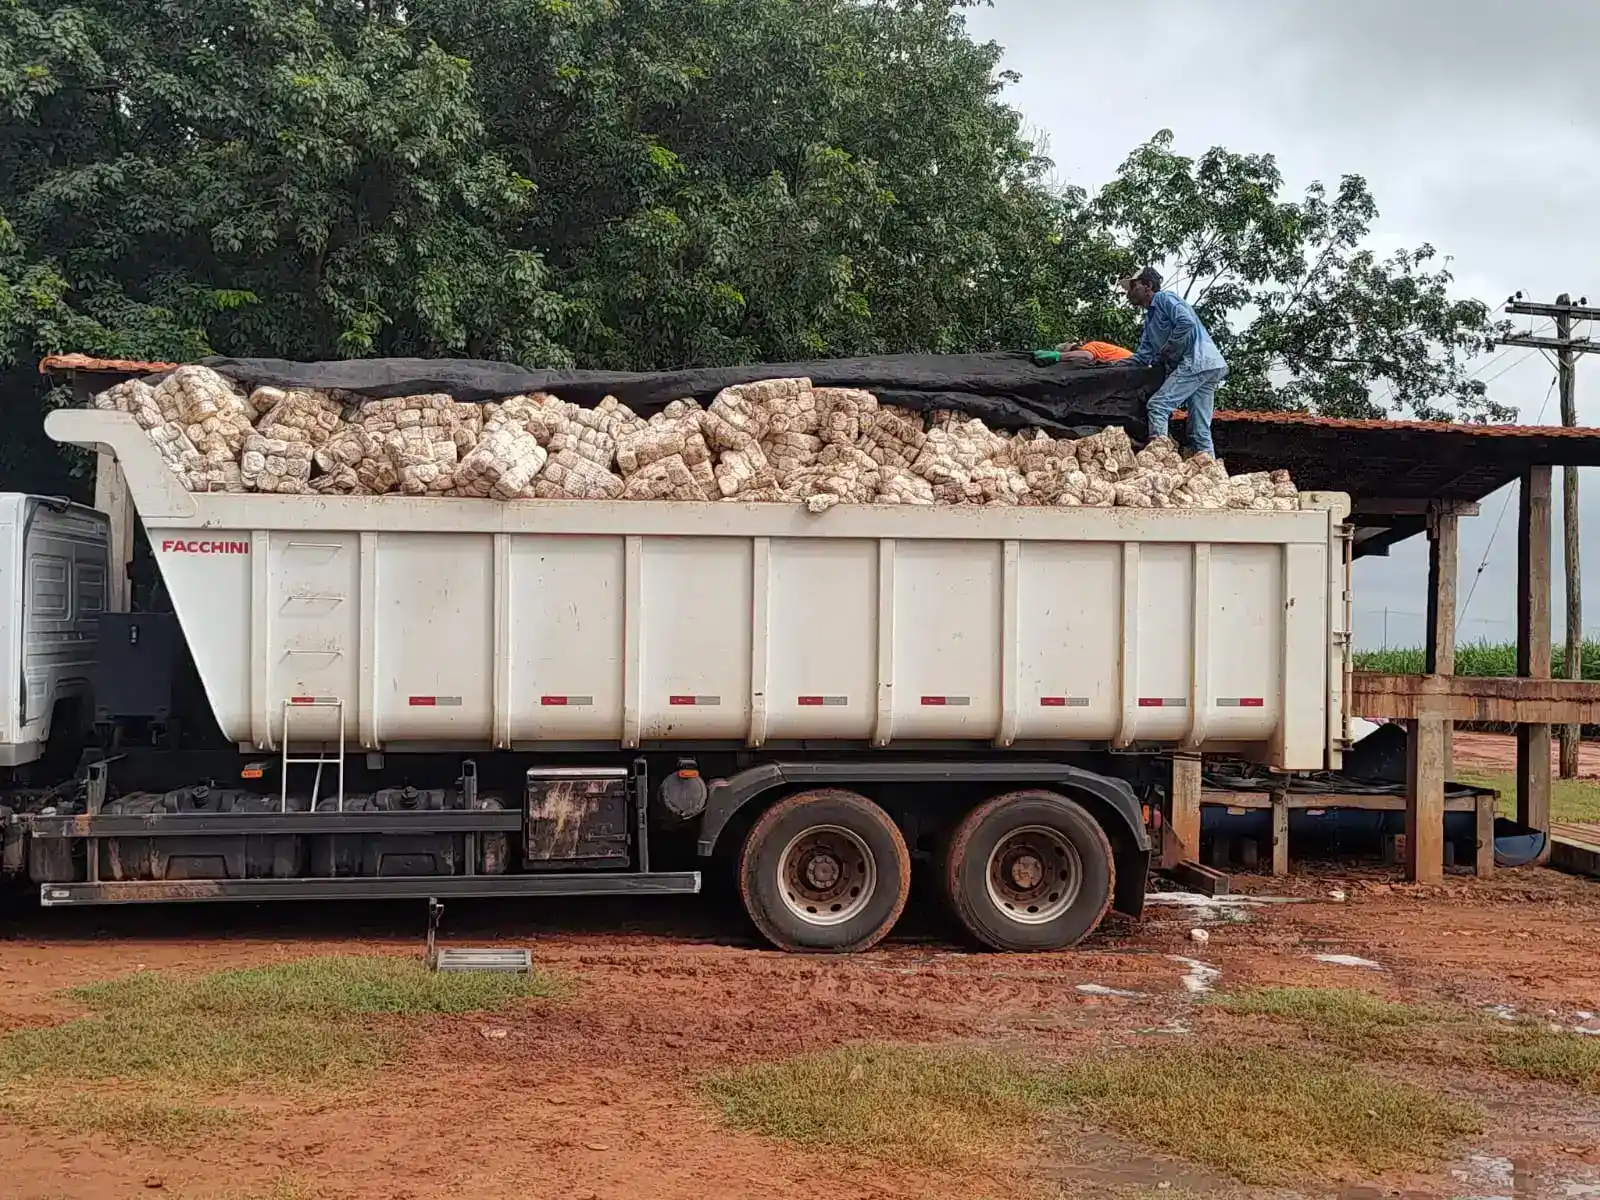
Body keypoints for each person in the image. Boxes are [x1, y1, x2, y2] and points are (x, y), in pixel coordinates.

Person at [1124, 266, 1227, 456]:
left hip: (1196, 361)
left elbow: (1186, 321)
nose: (1128, 293)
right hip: (1208, 365)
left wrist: (1168, 350)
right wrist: (1116, 365)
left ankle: (1160, 461)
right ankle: (1212, 473)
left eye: (1133, 287)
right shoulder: (1149, 321)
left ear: (1148, 285)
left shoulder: (1164, 298)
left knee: (1157, 406)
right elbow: (1142, 356)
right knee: (1200, 429)